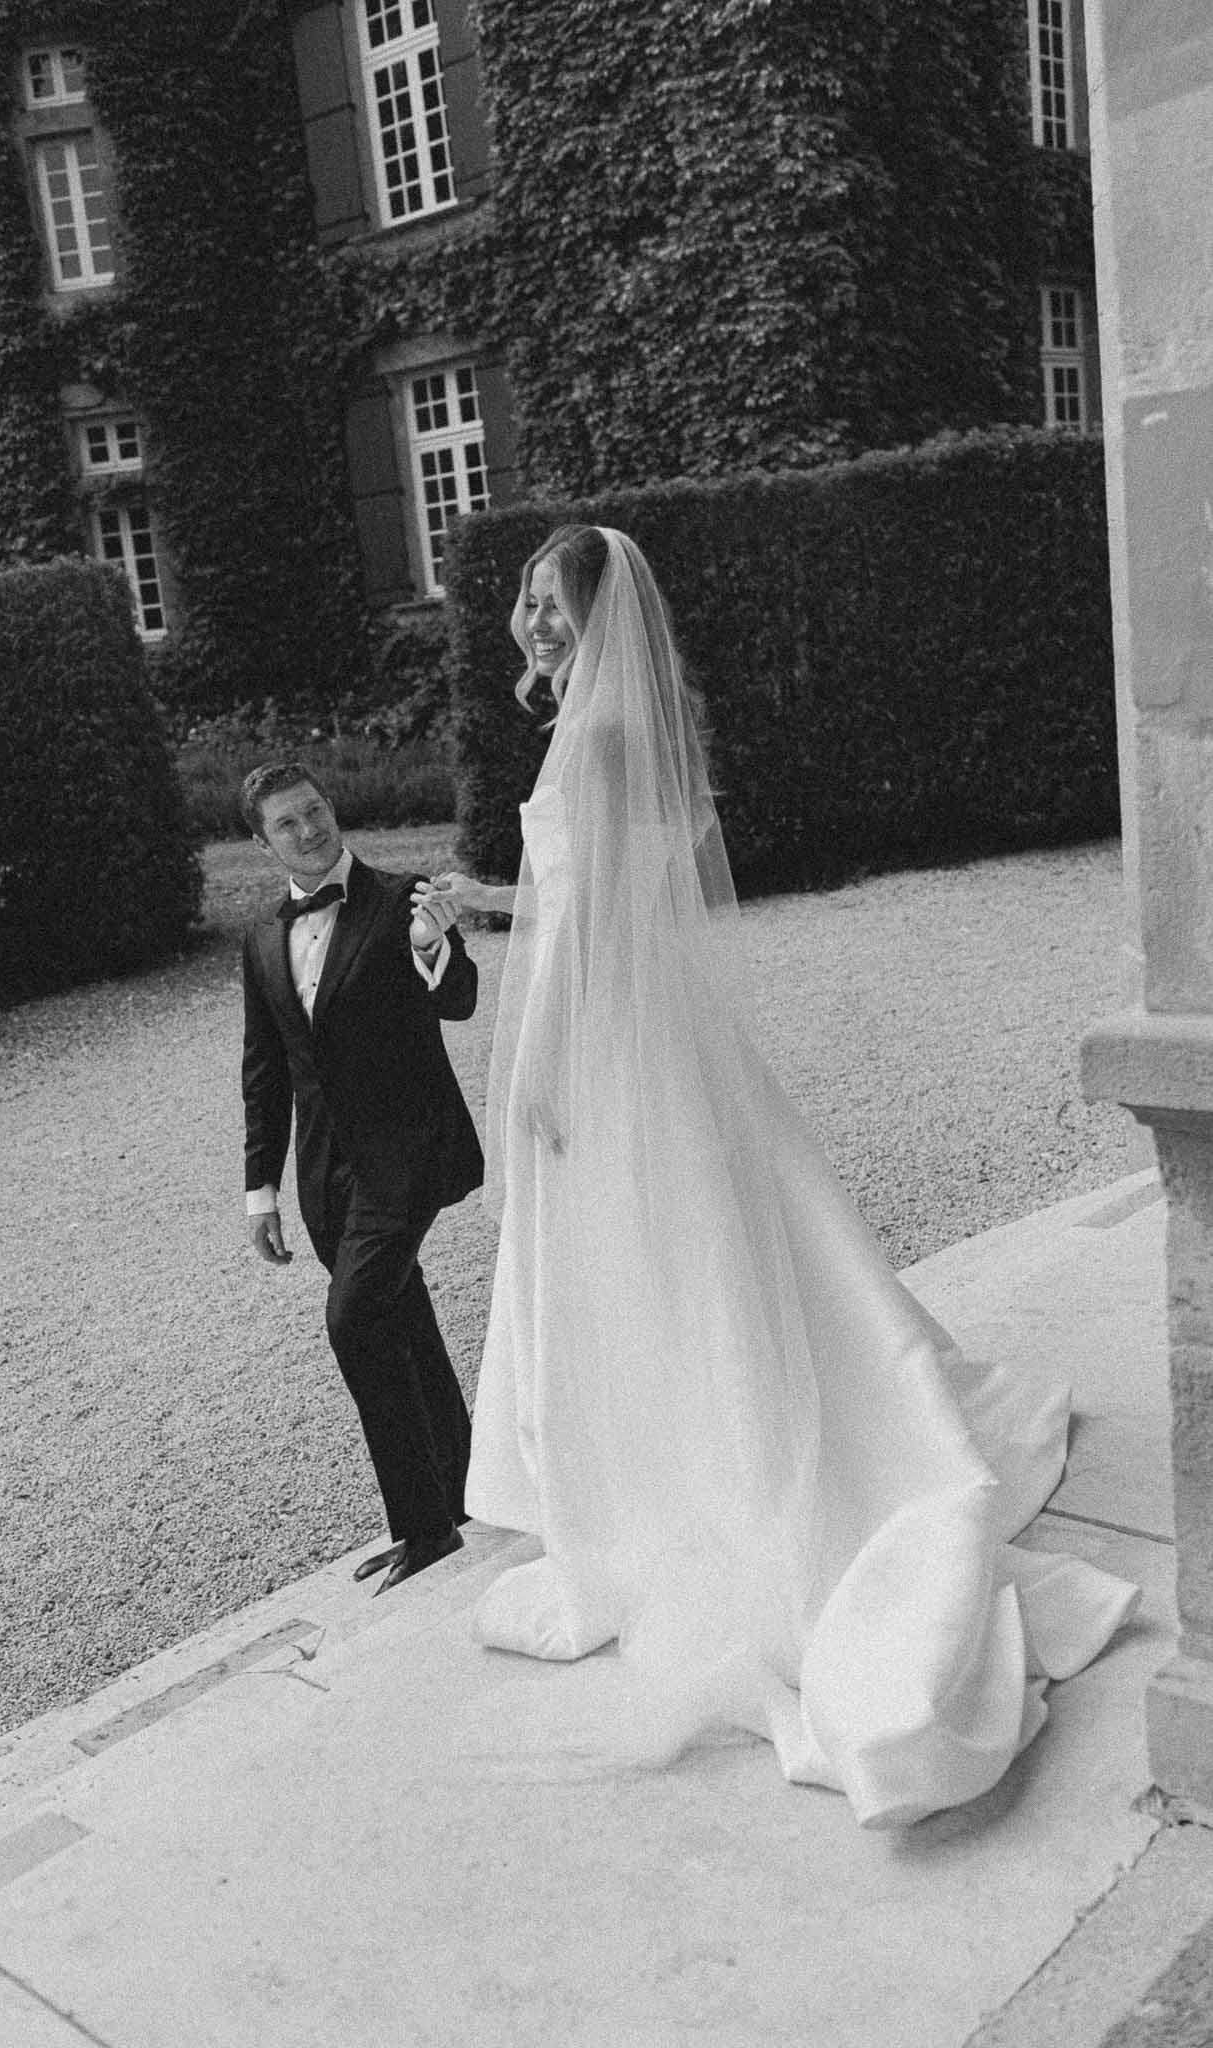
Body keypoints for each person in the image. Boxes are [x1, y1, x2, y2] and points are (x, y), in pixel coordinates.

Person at [414, 526, 1140, 1827]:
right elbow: (598, 901)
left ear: (594, 617)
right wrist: (476, 902)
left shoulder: (591, 739)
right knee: (708, 1260)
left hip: (602, 1049)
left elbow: (588, 937)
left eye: (548, 604)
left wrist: (536, 1080)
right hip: (656, 1044)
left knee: (648, 1276)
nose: (528, 623)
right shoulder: (616, 729)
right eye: (522, 603)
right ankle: (710, 1456)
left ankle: (682, 1498)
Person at [240, 761, 482, 1594]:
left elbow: (458, 1000)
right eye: (287, 824)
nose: (308, 831)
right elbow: (266, 1069)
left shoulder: (401, 897)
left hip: (408, 1154)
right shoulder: (263, 938)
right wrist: (259, 1189)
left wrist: (430, 945)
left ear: (332, 808)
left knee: (353, 1322)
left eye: (314, 812)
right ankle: (464, 1491)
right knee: (401, 1316)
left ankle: (422, 1530)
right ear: (265, 842)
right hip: (326, 1179)